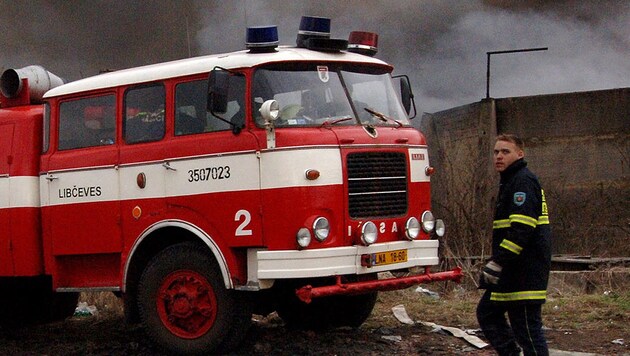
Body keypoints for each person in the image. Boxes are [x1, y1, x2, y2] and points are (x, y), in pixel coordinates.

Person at [477, 133, 552, 356]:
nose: (499, 156)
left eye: (505, 152)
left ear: (520, 154)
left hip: (524, 273)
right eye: (496, 152)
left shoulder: (523, 182)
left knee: (528, 332)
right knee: (488, 314)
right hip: (512, 274)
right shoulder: (511, 181)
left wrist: (498, 262)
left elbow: (522, 229)